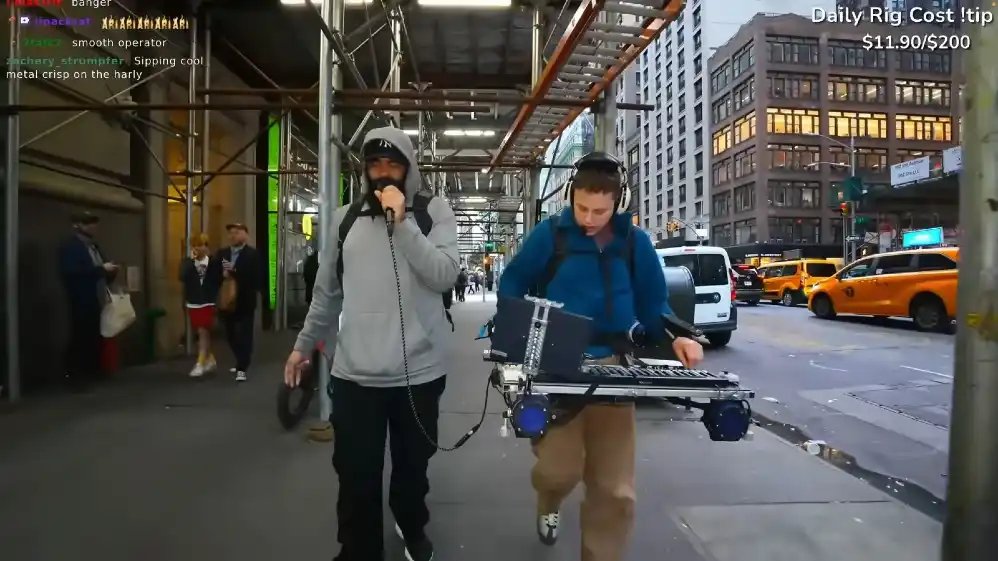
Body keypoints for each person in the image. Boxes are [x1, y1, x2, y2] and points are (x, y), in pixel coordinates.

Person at [497, 151, 704, 561]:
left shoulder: (633, 243)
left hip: (614, 370)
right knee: (559, 470)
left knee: (615, 489)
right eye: (582, 208)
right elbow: (513, 281)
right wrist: (517, 332)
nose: (590, 218)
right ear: (571, 198)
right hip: (556, 366)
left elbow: (653, 302)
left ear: (618, 204)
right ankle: (549, 500)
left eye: (600, 211)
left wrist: (678, 337)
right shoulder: (550, 235)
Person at [283, 126, 459, 561]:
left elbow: (443, 275)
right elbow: (326, 294)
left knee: (412, 468)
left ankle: (410, 521)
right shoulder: (345, 219)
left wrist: (403, 226)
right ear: (364, 170)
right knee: (355, 472)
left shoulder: (433, 212)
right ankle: (358, 548)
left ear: (408, 168)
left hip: (419, 373)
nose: (383, 174)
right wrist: (302, 347)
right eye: (375, 165)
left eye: (392, 164)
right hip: (356, 375)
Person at [59, 212, 119, 391]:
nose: (92, 227)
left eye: (94, 223)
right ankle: (74, 375)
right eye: (88, 223)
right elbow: (73, 272)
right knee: (80, 334)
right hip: (81, 297)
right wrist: (101, 269)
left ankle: (93, 370)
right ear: (78, 225)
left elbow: (101, 268)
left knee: (95, 334)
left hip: (98, 295)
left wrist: (110, 270)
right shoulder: (71, 247)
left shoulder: (94, 246)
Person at [216, 223, 260, 382]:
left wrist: (234, 272)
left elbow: (255, 277)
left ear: (245, 235)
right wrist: (222, 274)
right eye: (231, 233)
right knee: (230, 333)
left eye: (237, 232)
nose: (233, 236)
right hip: (227, 301)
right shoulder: (222, 253)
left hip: (245, 300)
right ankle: (239, 358)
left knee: (245, 334)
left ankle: (242, 366)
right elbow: (215, 273)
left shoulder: (252, 254)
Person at [179, 233, 223, 378]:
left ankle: (200, 362)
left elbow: (226, 274)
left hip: (208, 301)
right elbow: (182, 276)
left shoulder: (215, 261)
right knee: (200, 331)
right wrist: (191, 261)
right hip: (193, 302)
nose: (200, 248)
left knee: (203, 331)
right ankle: (209, 358)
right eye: (196, 245)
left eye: (203, 244)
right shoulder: (187, 263)